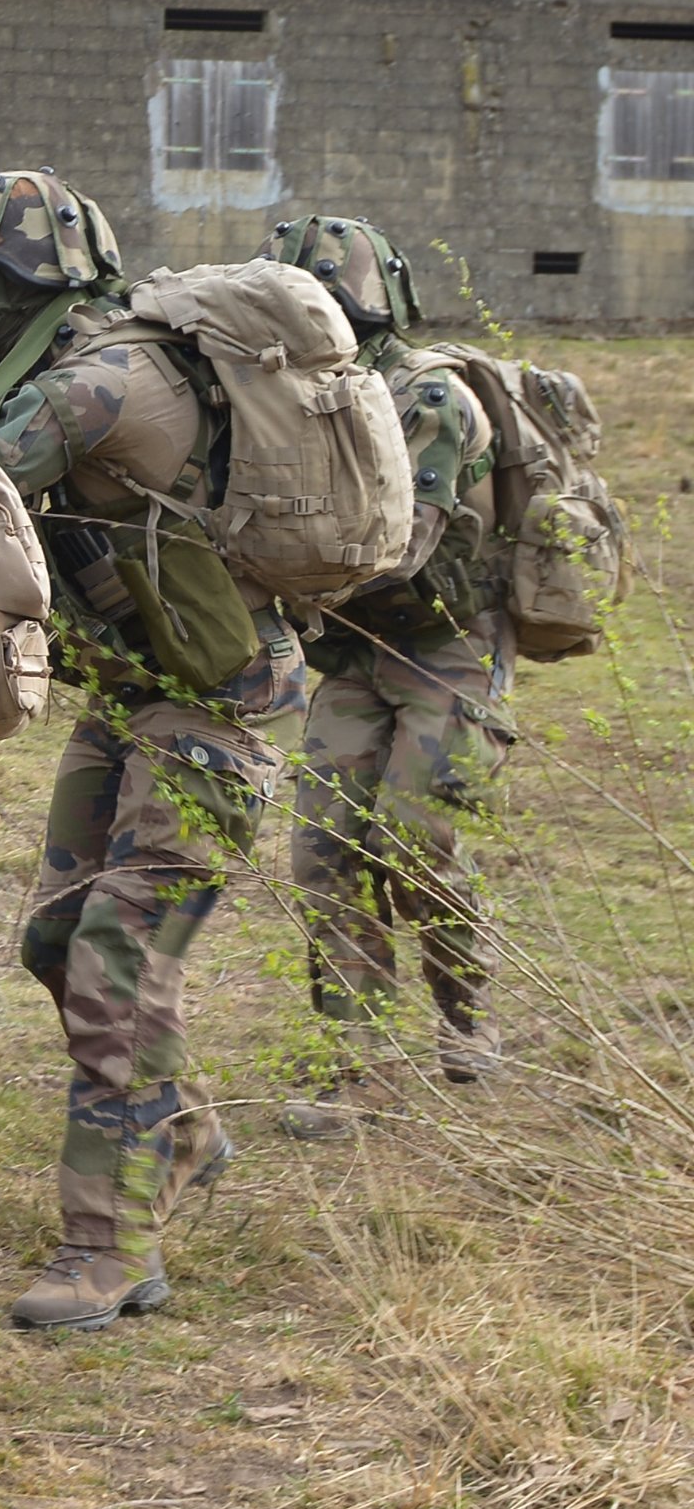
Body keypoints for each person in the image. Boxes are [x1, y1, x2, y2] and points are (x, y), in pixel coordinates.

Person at [0, 169, 284, 1331]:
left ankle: (107, 1248)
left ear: (26, 273)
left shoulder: (95, 383)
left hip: (213, 710)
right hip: (133, 694)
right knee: (58, 942)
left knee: (116, 958)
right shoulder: (67, 365)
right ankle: (179, 1127)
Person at [262, 214, 507, 1123]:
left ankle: (467, 1014)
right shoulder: (295, 395)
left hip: (447, 648)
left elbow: (404, 552)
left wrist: (270, 569)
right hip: (356, 652)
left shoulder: (428, 399)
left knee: (412, 835)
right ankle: (350, 1056)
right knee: (324, 844)